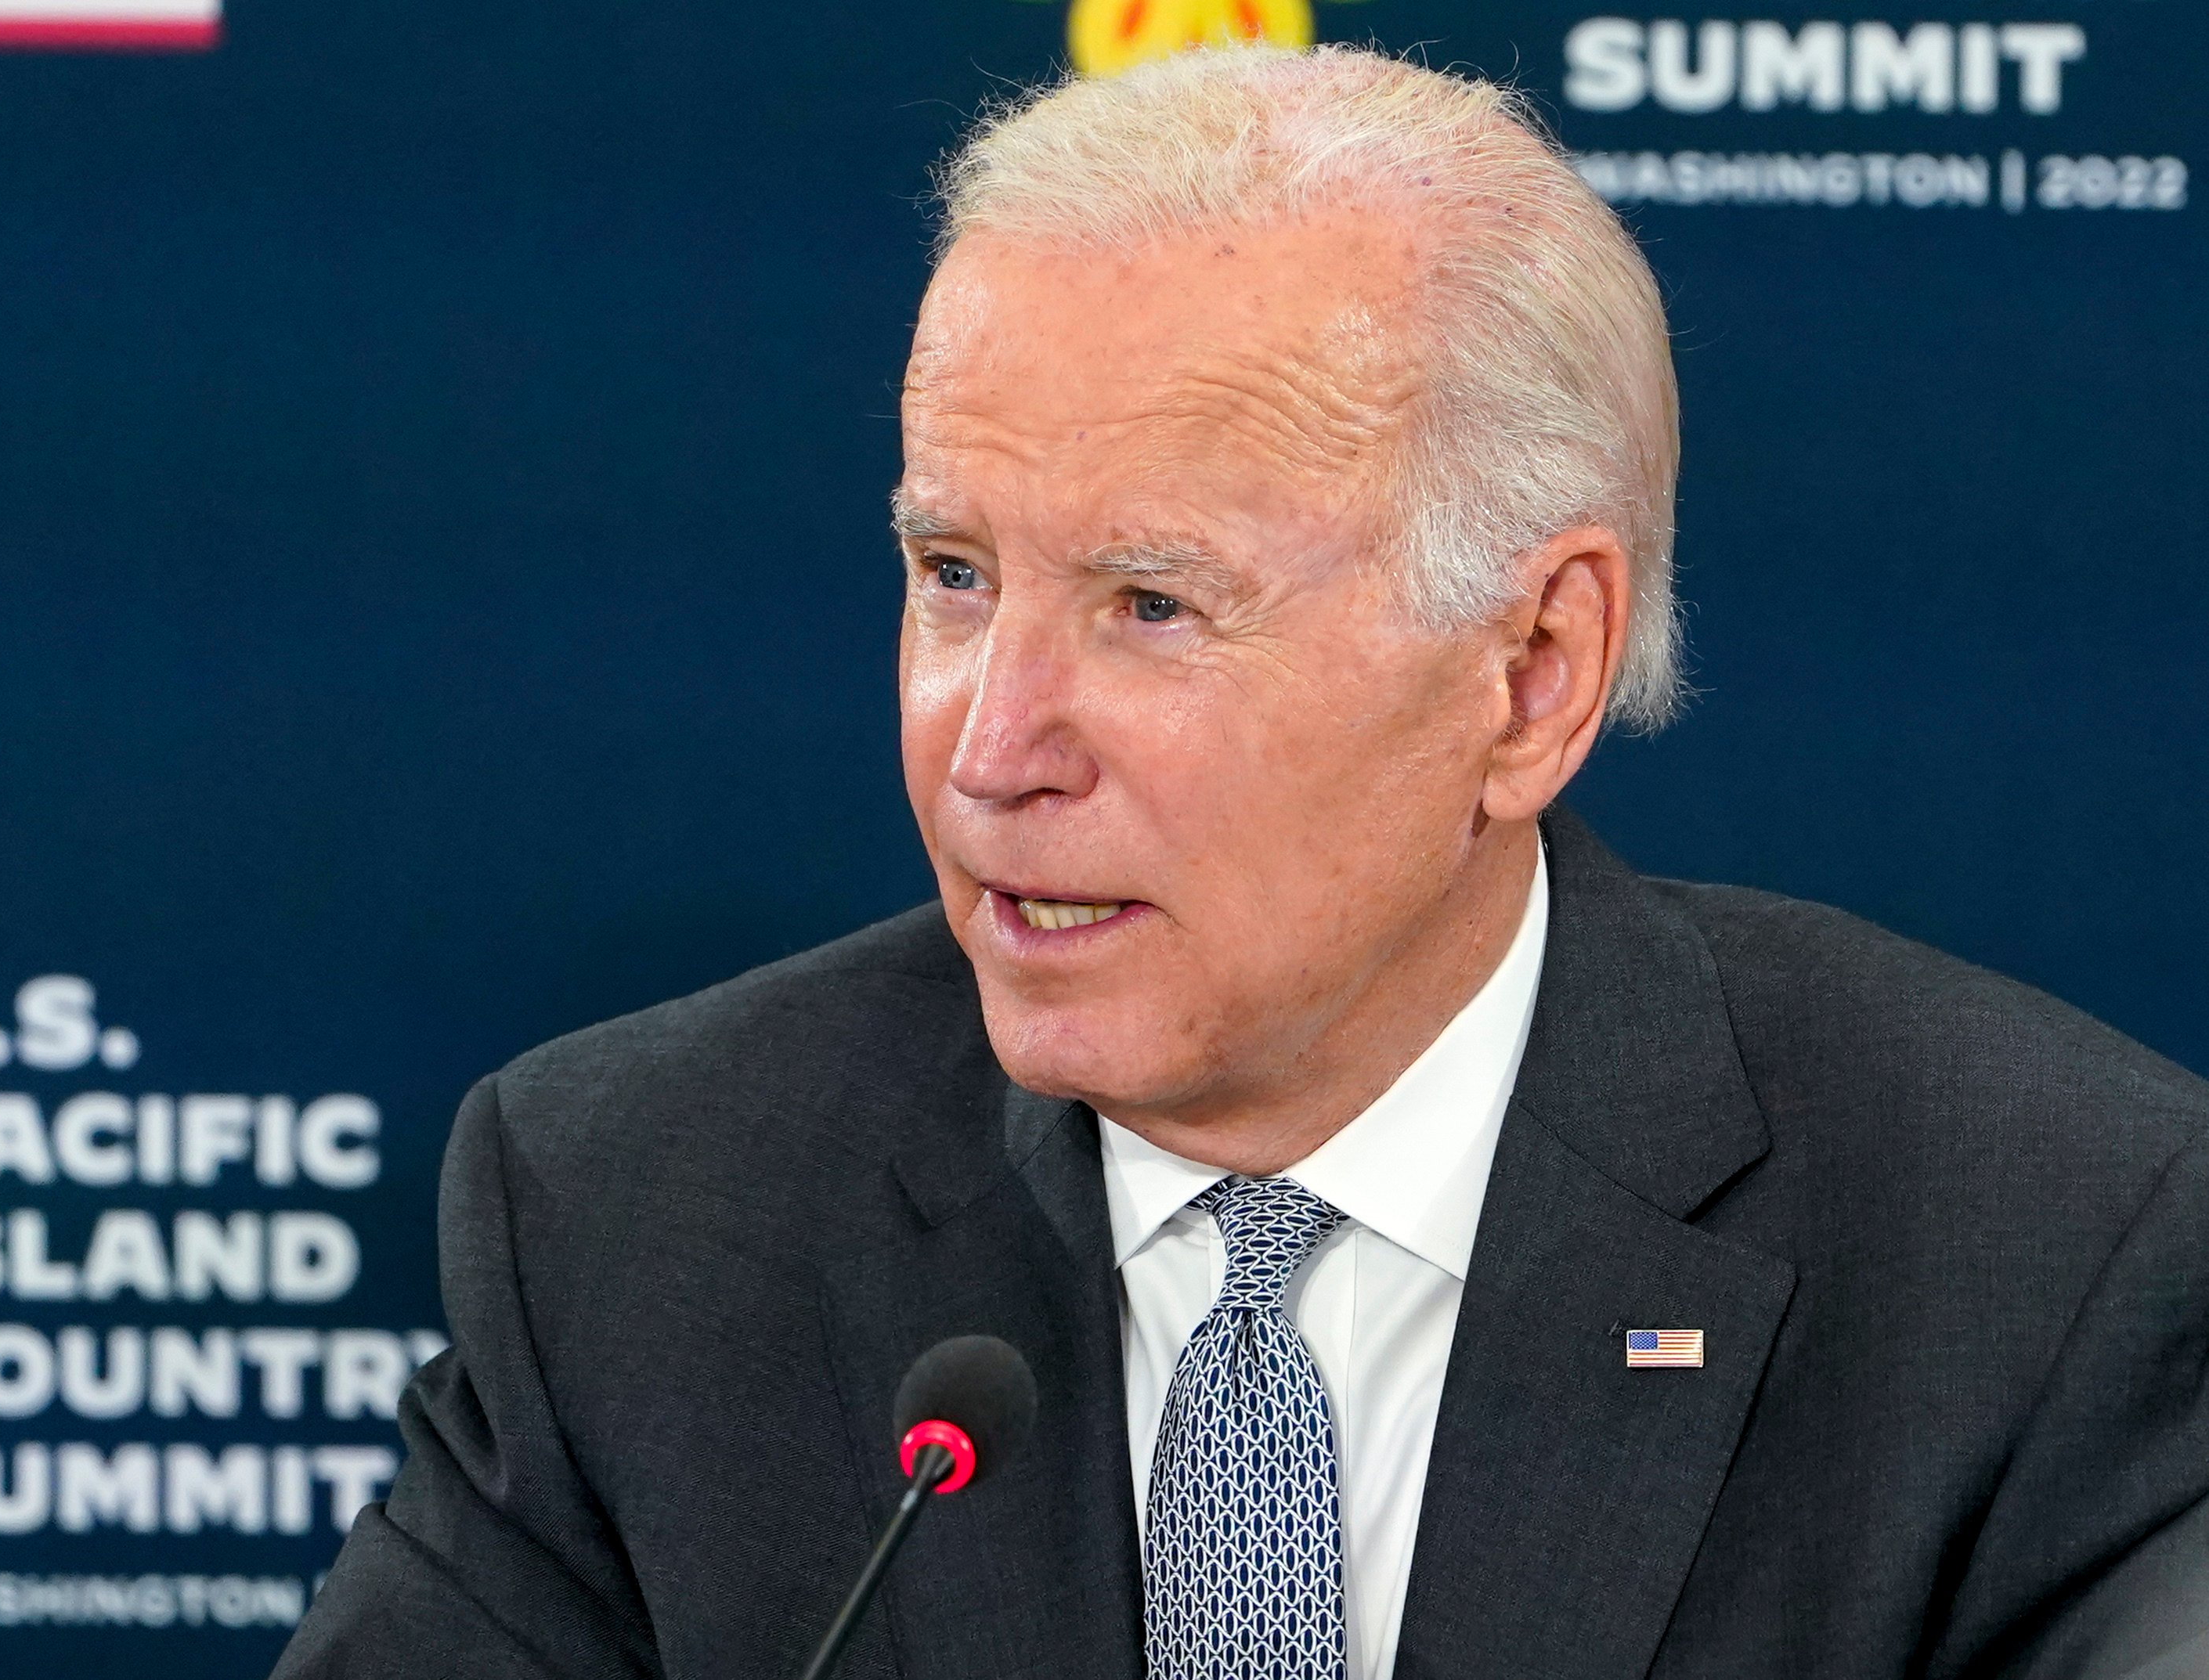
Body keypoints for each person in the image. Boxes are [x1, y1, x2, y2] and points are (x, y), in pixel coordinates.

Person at [273, 42, 2209, 1680]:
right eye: (951, 575)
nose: (988, 741)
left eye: (1150, 604)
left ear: (1532, 672)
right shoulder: (636, 1217)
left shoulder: (2039, 1257)